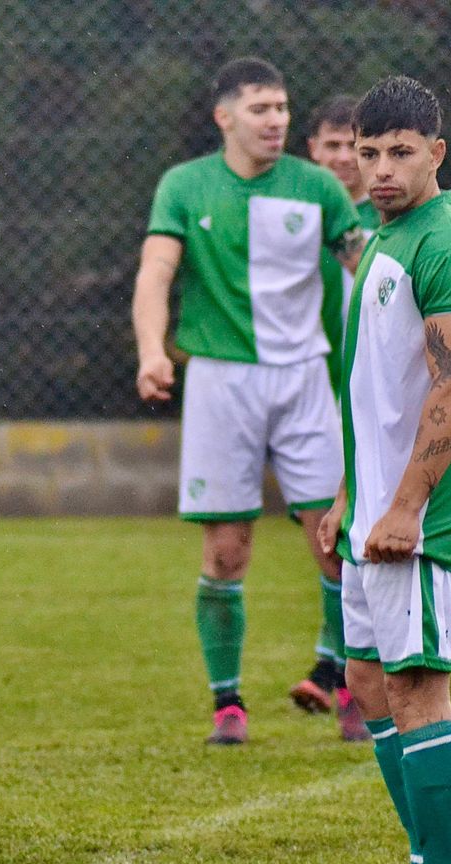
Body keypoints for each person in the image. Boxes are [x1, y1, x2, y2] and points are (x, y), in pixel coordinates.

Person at [132, 57, 365, 746]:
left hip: (303, 379)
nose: (277, 121)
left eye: (283, 108)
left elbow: (368, 267)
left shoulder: (318, 188)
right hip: (220, 381)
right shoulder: (185, 184)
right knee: (227, 551)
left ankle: (352, 684)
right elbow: (155, 272)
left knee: (336, 542)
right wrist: (152, 348)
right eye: (261, 108)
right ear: (224, 117)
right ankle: (227, 705)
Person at [319, 75, 451, 864]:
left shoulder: (446, 242)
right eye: (369, 152)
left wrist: (403, 507)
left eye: (400, 153)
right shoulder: (386, 238)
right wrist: (352, 496)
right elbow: (373, 392)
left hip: (419, 517)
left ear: (437, 153)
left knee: (419, 688)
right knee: (366, 682)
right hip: (374, 509)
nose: (381, 169)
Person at [288, 93, 383, 741]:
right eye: (332, 147)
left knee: (361, 540)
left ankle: (343, 668)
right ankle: (340, 666)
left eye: (357, 146)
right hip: (316, 401)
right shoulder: (303, 228)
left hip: (378, 408)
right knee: (328, 533)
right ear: (311, 154)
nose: (344, 159)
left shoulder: (388, 226)